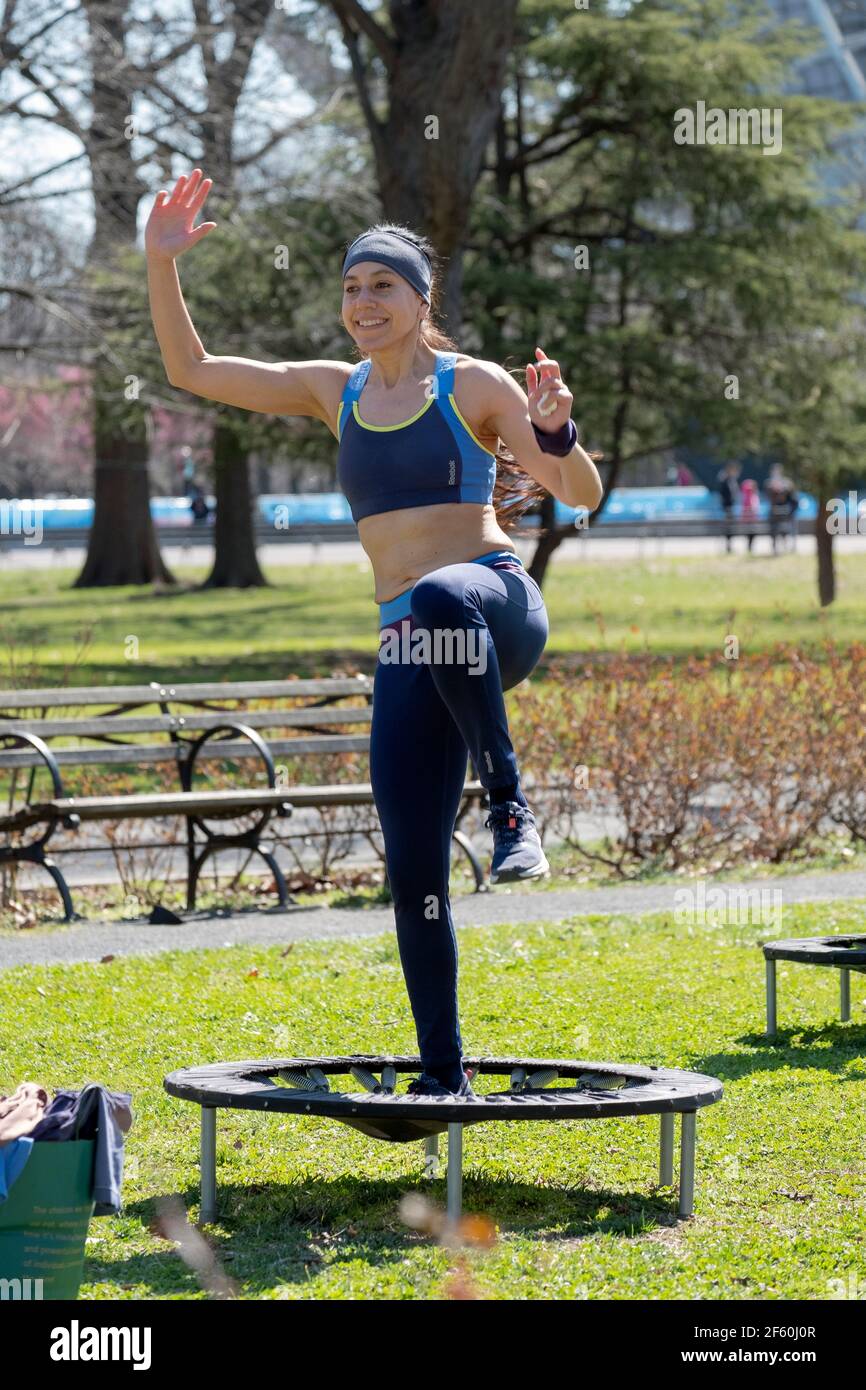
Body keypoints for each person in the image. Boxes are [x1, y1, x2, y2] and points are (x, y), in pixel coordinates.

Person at [145, 169, 603, 1098]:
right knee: (414, 867)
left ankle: (512, 807)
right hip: (412, 647)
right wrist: (162, 265)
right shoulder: (333, 390)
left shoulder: (468, 383)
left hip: (493, 608)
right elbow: (192, 371)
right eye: (351, 287)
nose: (362, 302)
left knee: (439, 595)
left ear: (420, 299)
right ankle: (444, 1076)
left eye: (382, 285)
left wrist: (553, 435)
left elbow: (581, 496)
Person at [764, 464, 799, 554]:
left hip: (787, 511)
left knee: (788, 526)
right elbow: (768, 497)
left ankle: (788, 545)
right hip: (775, 511)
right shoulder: (769, 483)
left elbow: (793, 498)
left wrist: (783, 489)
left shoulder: (787, 482)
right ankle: (775, 546)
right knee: (774, 525)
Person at [717, 462, 741, 553]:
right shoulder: (725, 481)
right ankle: (728, 546)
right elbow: (724, 494)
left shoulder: (732, 480)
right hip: (727, 507)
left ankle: (729, 546)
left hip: (731, 507)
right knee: (728, 528)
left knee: (731, 527)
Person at [739, 477, 759, 553]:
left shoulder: (746, 496)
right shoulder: (751, 496)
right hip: (750, 519)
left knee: (750, 534)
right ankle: (750, 547)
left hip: (749, 519)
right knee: (751, 533)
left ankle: (749, 547)